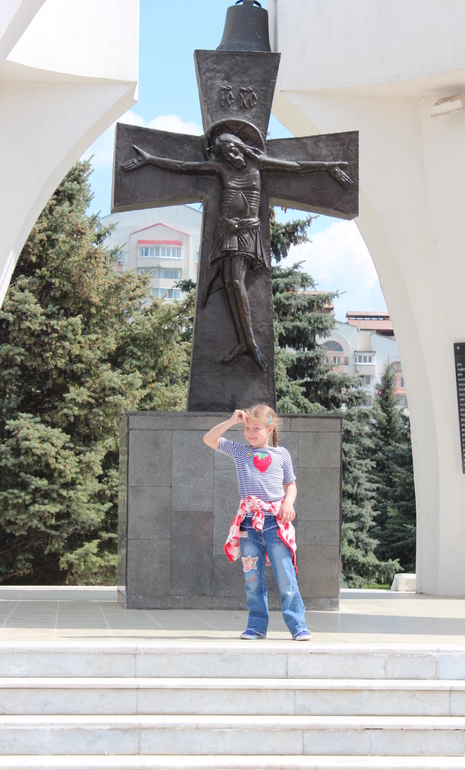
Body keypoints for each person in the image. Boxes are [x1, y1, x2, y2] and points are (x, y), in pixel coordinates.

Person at [121, 129, 352, 372]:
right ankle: (243, 342)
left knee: (236, 282)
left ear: (240, 146)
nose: (231, 156)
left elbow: (295, 166)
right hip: (226, 231)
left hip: (246, 231)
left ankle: (250, 343)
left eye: (232, 149)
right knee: (229, 283)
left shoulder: (257, 164)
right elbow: (183, 166)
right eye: (225, 154)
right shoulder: (221, 169)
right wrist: (149, 160)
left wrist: (329, 167)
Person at [203, 403, 311, 641]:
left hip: (275, 523)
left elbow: (290, 484)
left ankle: (298, 626)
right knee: (252, 580)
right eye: (247, 428)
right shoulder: (241, 452)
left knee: (286, 577)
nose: (250, 433)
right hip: (249, 527)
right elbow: (209, 439)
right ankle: (256, 626)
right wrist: (232, 421)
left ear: (270, 429)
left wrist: (288, 503)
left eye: (256, 428)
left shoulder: (282, 455)